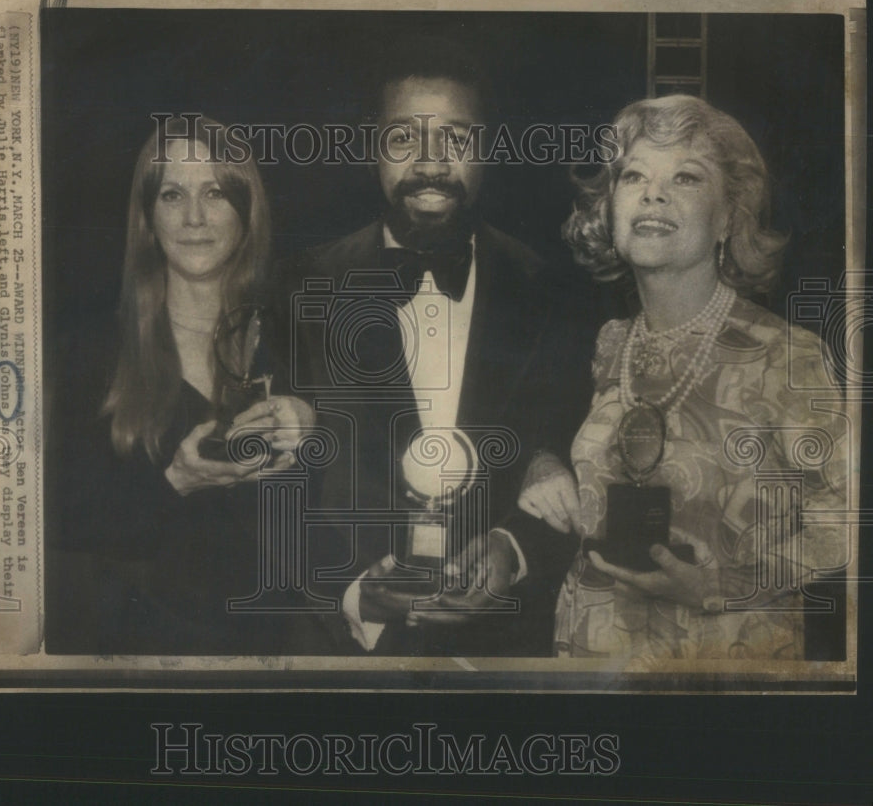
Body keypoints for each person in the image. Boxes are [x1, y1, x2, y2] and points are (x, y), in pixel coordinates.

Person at [283, 37, 599, 655]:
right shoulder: (299, 286)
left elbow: (580, 457)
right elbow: (273, 487)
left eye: (456, 138)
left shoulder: (554, 291)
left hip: (507, 653)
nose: (430, 164)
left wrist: (515, 549)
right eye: (404, 137)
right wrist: (349, 591)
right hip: (343, 655)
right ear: (371, 147)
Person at [509, 94, 848, 663]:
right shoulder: (609, 343)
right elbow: (550, 449)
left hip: (726, 679)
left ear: (728, 217)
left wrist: (722, 585)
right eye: (634, 175)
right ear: (609, 208)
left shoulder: (787, 355)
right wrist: (543, 472)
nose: (653, 193)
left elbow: (849, 524)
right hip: (592, 663)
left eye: (686, 177)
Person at [45, 117, 316, 655]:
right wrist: (175, 481)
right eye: (172, 194)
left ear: (246, 210)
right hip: (142, 651)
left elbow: (347, 507)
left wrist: (315, 427)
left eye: (215, 192)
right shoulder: (94, 351)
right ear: (148, 217)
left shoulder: (297, 338)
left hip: (281, 653)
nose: (194, 218)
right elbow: (62, 524)